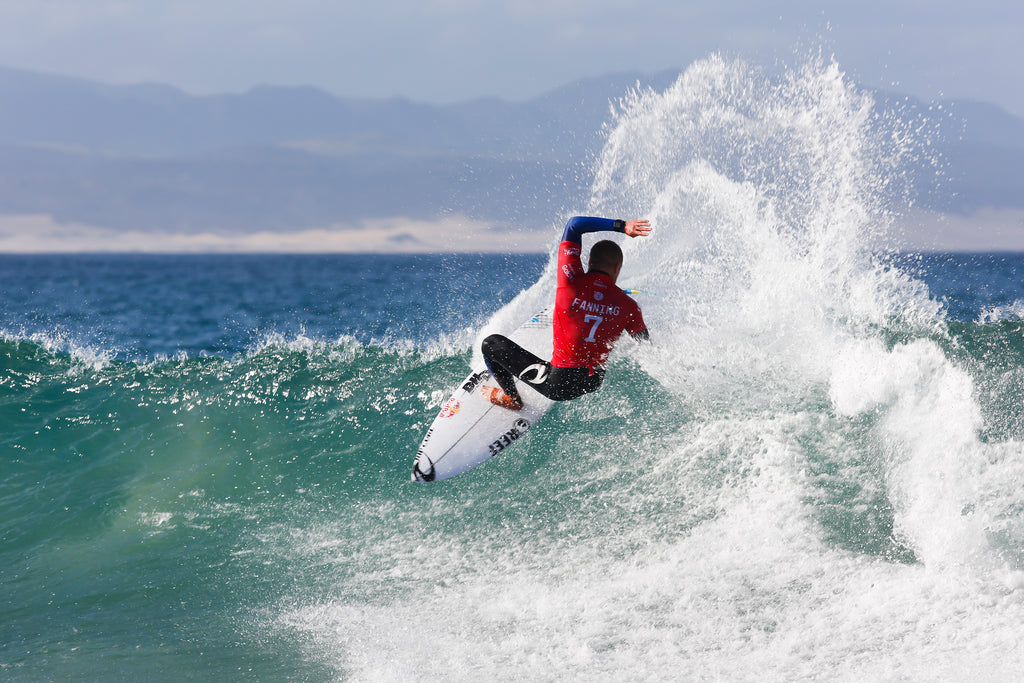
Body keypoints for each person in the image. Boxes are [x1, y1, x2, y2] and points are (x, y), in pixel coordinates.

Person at [480, 215, 652, 410]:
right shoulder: (629, 305)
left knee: (490, 344)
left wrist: (622, 226)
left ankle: (511, 398)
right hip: (594, 381)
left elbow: (574, 225)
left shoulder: (570, 280)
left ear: (588, 261)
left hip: (560, 385)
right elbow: (647, 346)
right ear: (617, 267)